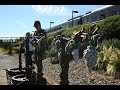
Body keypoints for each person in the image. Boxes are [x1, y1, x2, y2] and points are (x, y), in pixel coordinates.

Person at [33, 20, 47, 85]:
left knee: (39, 63)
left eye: (36, 26)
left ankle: (39, 77)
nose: (35, 28)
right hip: (36, 50)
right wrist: (34, 41)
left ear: (39, 25)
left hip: (41, 50)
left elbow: (45, 39)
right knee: (36, 62)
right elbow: (33, 40)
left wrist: (40, 39)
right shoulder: (35, 32)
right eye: (35, 27)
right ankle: (39, 75)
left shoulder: (43, 31)